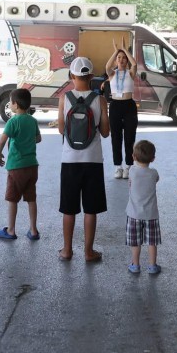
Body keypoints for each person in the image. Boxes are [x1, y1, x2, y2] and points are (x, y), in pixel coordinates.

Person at [57, 57, 110, 262]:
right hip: (93, 160)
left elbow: (61, 129)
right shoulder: (100, 100)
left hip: (69, 160)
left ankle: (67, 250)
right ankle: (88, 252)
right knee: (91, 209)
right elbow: (105, 132)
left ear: (72, 75)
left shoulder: (64, 98)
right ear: (91, 76)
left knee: (69, 208)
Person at [0, 88, 41, 241]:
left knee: (13, 199)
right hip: (32, 166)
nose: (10, 104)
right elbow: (38, 138)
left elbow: (2, 140)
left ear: (15, 104)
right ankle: (33, 230)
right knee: (31, 198)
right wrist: (27, 140)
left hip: (16, 166)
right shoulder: (32, 121)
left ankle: (11, 230)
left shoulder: (13, 121)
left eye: (10, 102)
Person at [104, 38, 138, 179]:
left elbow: (134, 63)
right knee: (116, 137)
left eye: (124, 58)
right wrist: (116, 51)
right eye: (119, 58)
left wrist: (124, 49)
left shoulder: (130, 73)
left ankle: (129, 166)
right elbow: (107, 66)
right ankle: (118, 167)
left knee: (129, 137)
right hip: (115, 106)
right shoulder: (112, 73)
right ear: (116, 60)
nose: (121, 60)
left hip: (129, 106)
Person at [127, 140, 161, 275]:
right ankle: (152, 266)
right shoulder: (154, 173)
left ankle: (135, 265)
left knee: (135, 242)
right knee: (152, 242)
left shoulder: (132, 171)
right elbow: (156, 179)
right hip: (151, 214)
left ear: (134, 157)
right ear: (153, 158)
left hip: (134, 214)